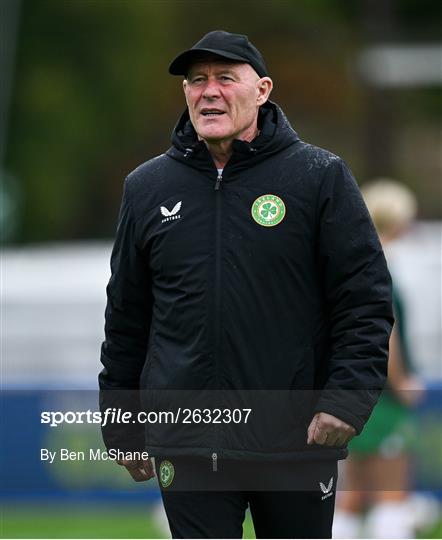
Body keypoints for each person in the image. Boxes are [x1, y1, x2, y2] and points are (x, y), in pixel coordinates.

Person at [99, 30, 394, 539]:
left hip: (295, 437)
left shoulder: (319, 177)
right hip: (187, 442)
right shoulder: (147, 188)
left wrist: (345, 399)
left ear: (262, 90)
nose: (209, 91)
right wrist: (121, 421)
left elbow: (364, 302)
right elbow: (127, 318)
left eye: (225, 78)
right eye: (197, 80)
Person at [333, 179, 425, 539]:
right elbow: (385, 335)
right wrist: (401, 384)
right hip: (381, 397)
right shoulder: (378, 265)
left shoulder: (351, 261)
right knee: (391, 496)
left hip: (350, 391)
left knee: (351, 496)